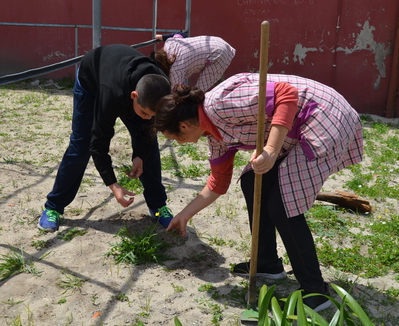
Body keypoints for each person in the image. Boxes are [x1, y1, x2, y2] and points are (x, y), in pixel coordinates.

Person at [153, 73, 364, 312]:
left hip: (324, 117)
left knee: (283, 205)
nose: (179, 143)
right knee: (252, 180)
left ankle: (316, 292)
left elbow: (286, 94)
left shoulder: (220, 104)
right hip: (296, 127)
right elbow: (218, 182)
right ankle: (267, 263)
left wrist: (271, 150)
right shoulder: (213, 136)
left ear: (183, 125)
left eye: (174, 138)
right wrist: (185, 214)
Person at [38, 44, 174, 232]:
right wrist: (113, 185)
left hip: (129, 90)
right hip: (91, 85)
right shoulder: (111, 93)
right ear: (134, 96)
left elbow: (147, 128)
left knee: (150, 146)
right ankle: (53, 207)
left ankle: (158, 207)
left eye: (152, 115)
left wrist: (140, 155)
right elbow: (99, 143)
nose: (148, 118)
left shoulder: (160, 87)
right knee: (81, 146)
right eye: (144, 113)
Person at [150, 33, 236, 92]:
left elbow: (175, 93)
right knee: (217, 82)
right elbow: (182, 34)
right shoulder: (170, 43)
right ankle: (229, 93)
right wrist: (162, 37)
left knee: (198, 91)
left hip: (217, 54)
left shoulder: (175, 70)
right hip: (215, 42)